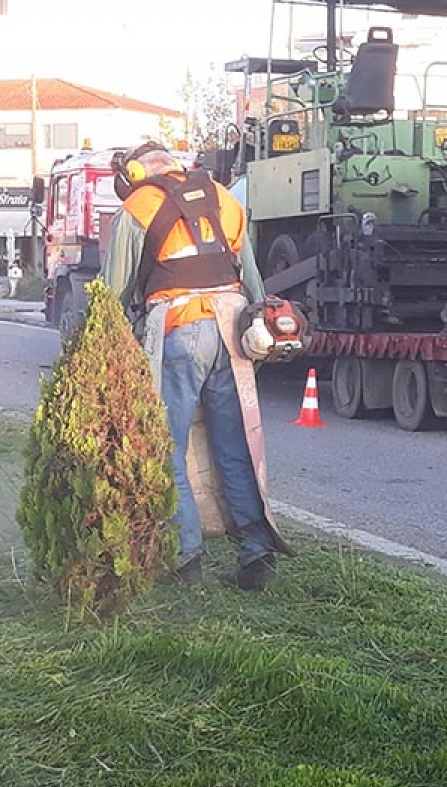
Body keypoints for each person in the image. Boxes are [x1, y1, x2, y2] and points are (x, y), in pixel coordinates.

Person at [100, 142, 289, 590]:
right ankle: (256, 552)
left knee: (168, 445)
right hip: (232, 329)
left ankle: (184, 557)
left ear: (134, 172)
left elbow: (112, 294)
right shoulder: (223, 198)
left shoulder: (138, 207)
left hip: (180, 328)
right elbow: (252, 278)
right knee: (234, 442)